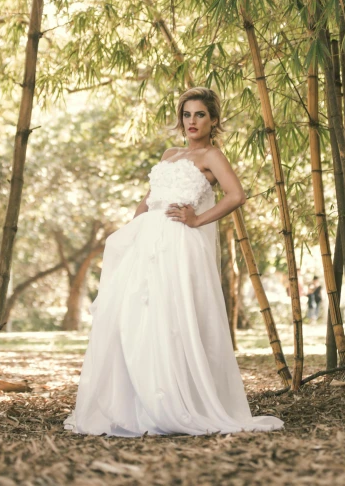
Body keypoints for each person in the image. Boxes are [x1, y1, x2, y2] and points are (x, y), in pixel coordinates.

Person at [64, 87, 284, 437]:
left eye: (200, 115)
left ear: (213, 120)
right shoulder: (169, 154)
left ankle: (178, 401)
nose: (192, 121)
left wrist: (198, 219)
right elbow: (149, 199)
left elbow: (237, 195)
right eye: (187, 114)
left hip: (179, 244)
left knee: (172, 318)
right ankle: (139, 401)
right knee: (136, 319)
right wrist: (132, 233)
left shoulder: (212, 156)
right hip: (148, 240)